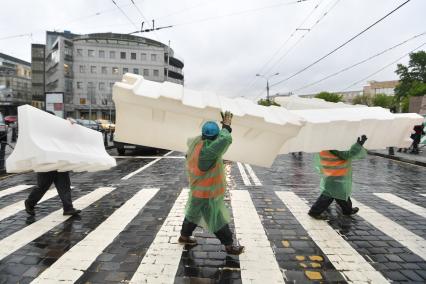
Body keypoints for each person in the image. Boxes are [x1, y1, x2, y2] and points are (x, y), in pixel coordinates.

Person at [178, 111, 244, 255]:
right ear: (214, 137)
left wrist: (223, 129)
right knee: (217, 218)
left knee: (192, 214)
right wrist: (226, 126)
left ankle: (184, 237)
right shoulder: (209, 151)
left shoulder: (197, 144)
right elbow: (224, 140)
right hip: (207, 193)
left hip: (197, 190)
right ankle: (229, 245)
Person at [24, 111, 81, 216]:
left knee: (64, 185)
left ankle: (68, 208)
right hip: (46, 162)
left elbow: (67, 136)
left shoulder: (57, 129)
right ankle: (30, 202)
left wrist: (69, 124)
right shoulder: (39, 130)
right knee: (42, 186)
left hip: (59, 161)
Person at [308, 135, 368, 219]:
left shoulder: (326, 144)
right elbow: (347, 155)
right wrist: (358, 145)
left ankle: (348, 210)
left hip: (333, 173)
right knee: (328, 195)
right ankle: (314, 211)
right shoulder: (333, 147)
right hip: (335, 174)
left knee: (341, 193)